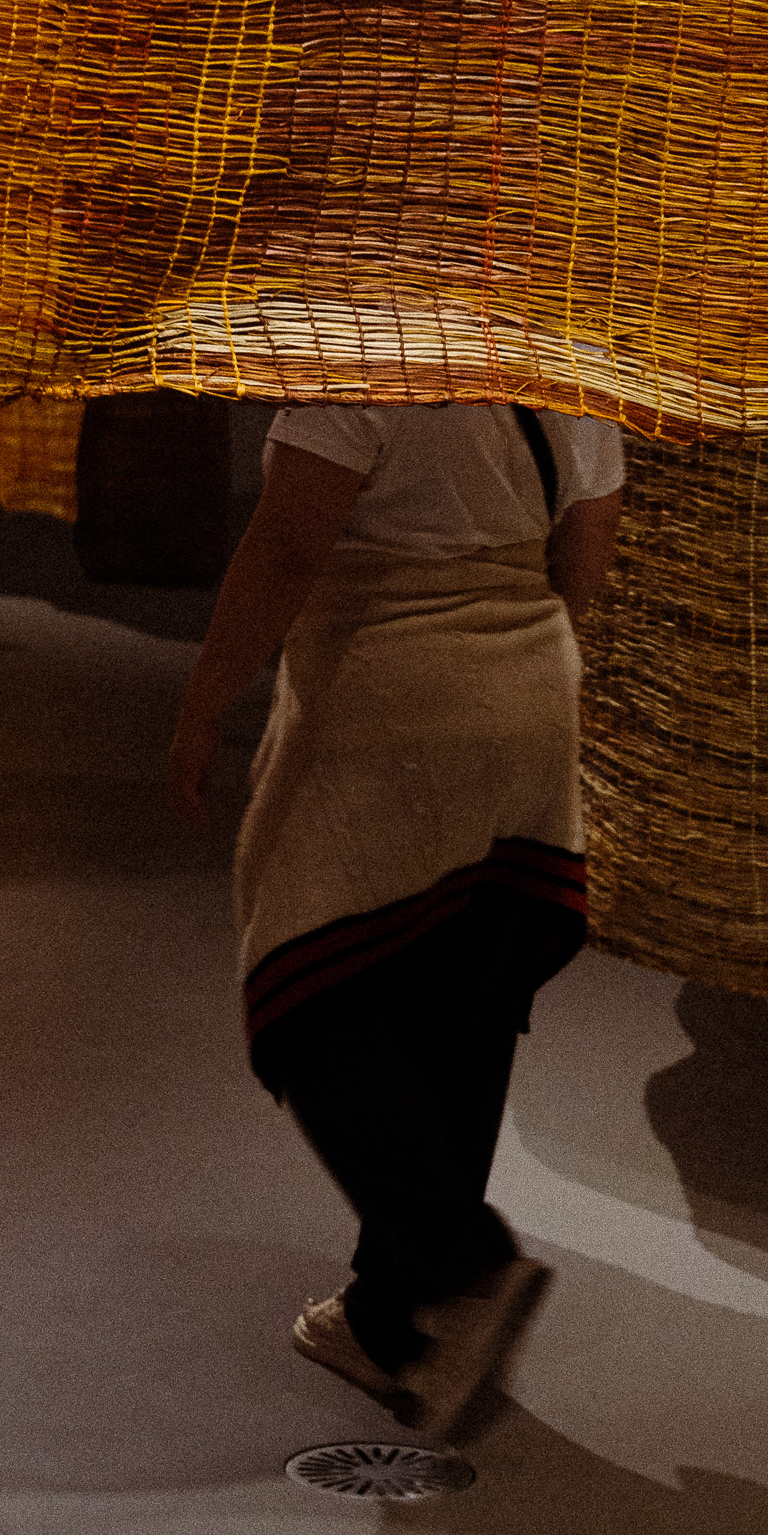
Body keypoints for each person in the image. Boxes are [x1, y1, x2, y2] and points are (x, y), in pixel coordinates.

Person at [168, 399, 624, 1441]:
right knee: (459, 995)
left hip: (388, 699)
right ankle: (388, 1322)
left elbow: (284, 548)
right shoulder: (573, 379)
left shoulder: (360, 365)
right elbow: (583, 560)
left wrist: (202, 706)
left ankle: (462, 1266)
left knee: (306, 989)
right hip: (528, 690)